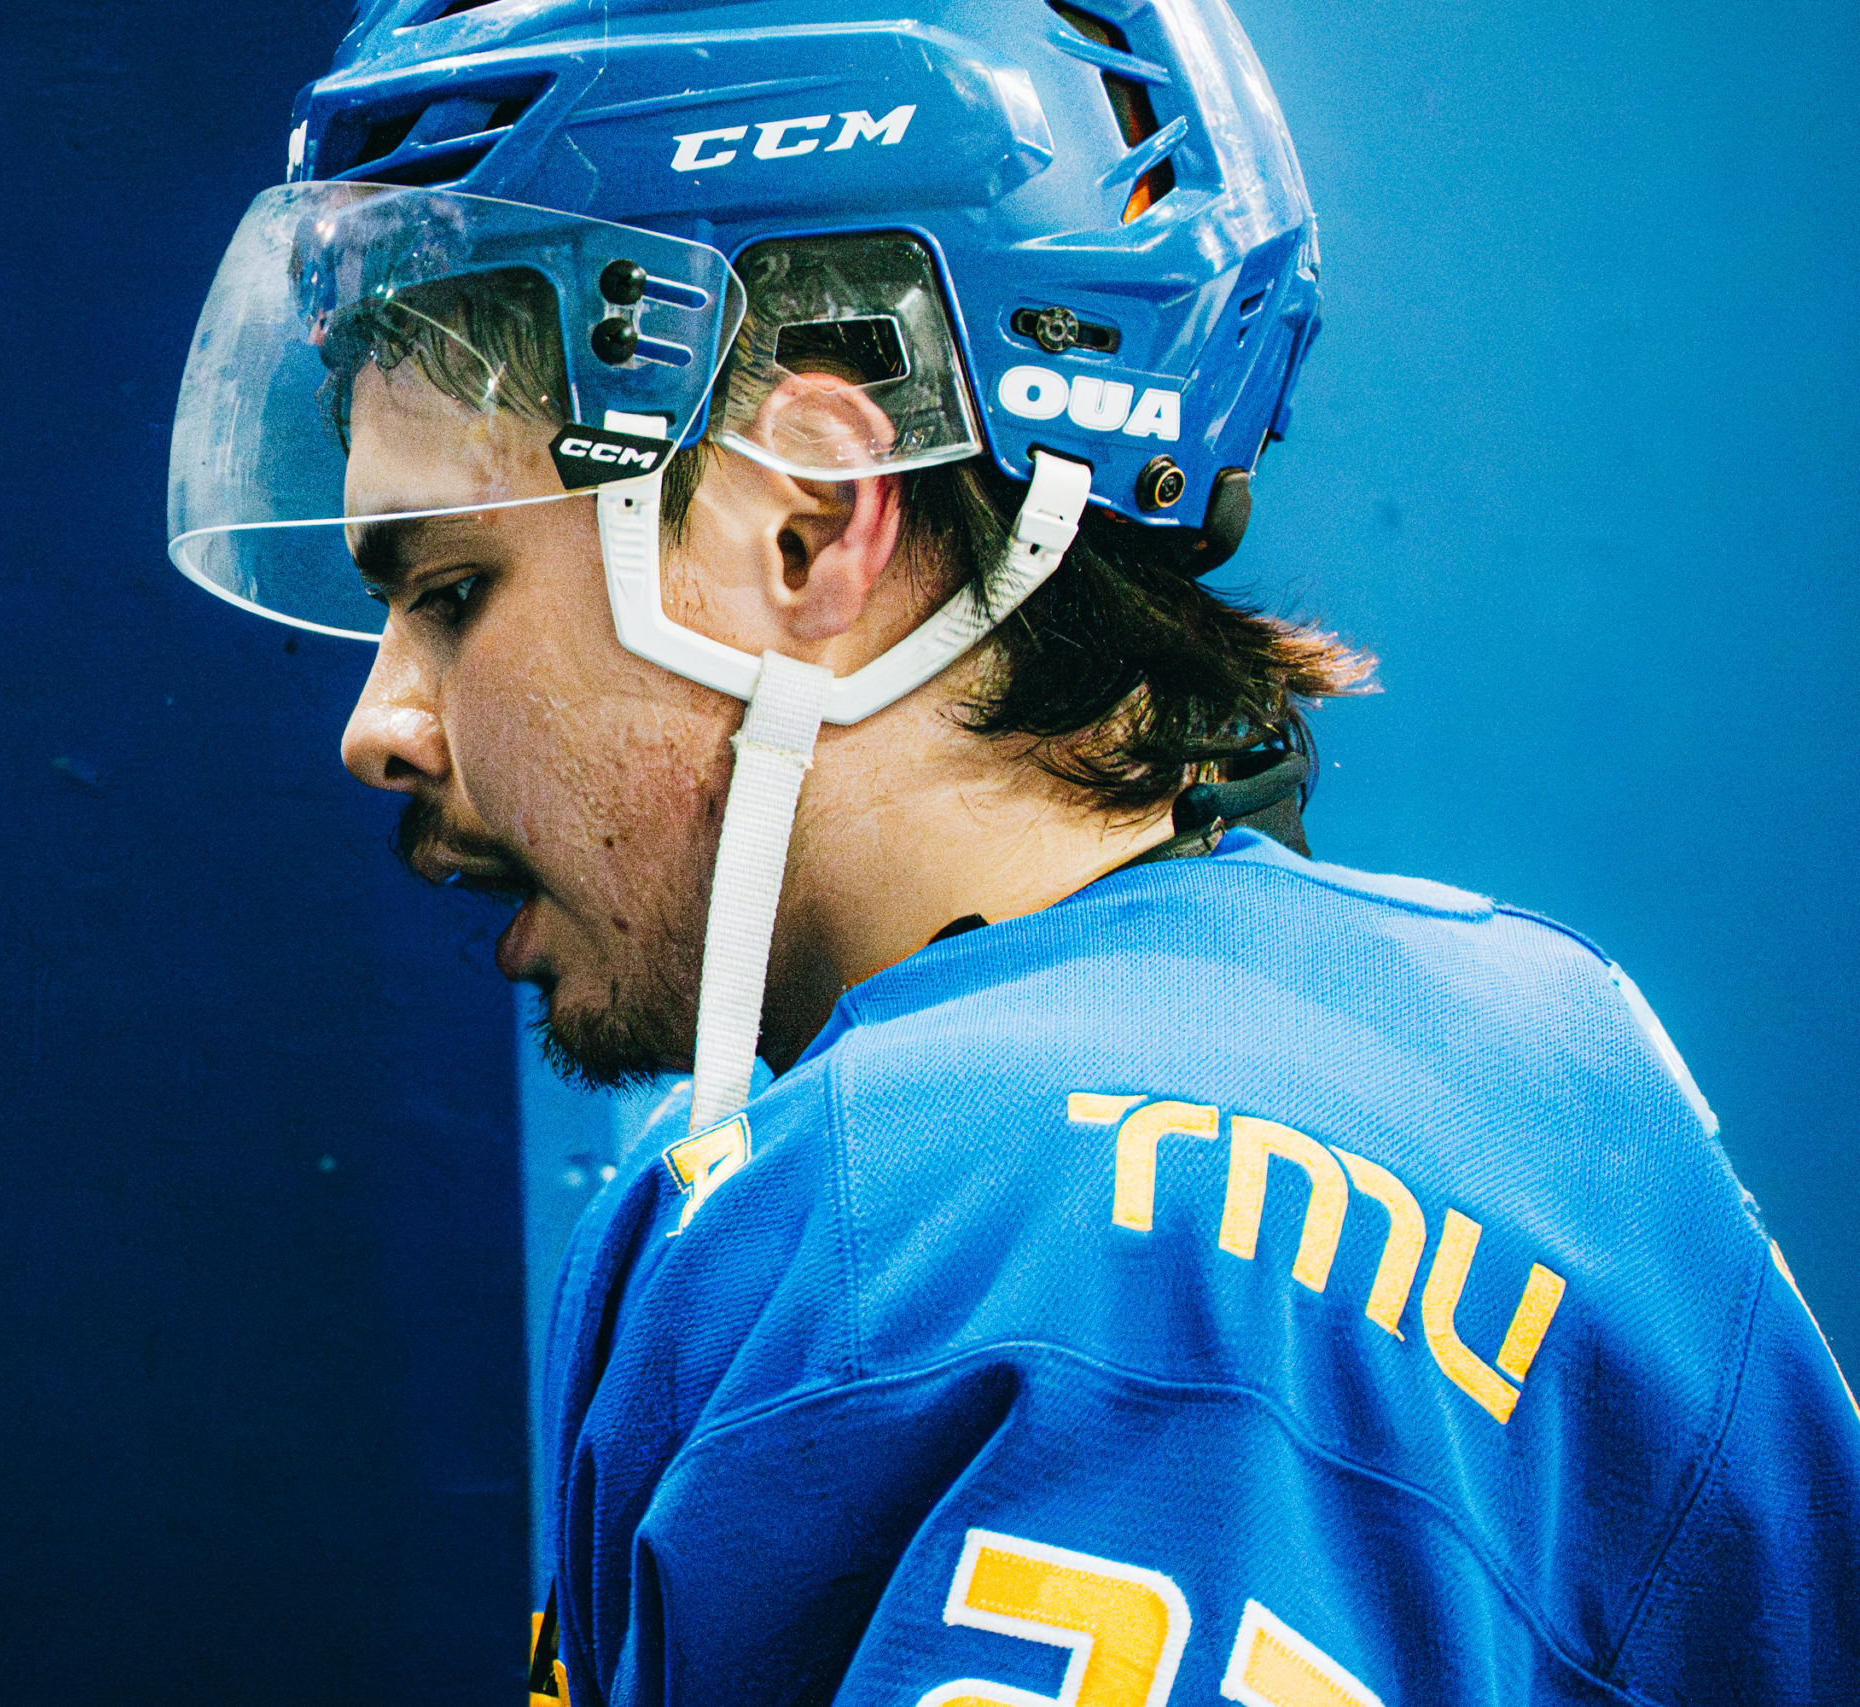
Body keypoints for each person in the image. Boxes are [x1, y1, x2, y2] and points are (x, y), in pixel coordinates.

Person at [164, 1, 1860, 1701]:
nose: (380, 725)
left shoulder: (945, 1210)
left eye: (453, 590)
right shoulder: (1545, 1040)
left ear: (807, 525)